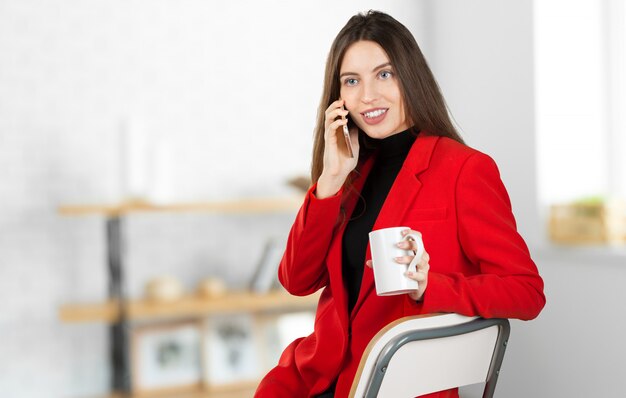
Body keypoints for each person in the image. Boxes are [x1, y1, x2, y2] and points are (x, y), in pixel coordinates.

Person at [255, 10, 545, 398]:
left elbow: (525, 292)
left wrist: (431, 286)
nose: (368, 95)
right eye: (352, 81)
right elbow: (296, 280)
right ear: (338, 97)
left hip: (396, 382)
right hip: (316, 377)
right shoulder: (350, 169)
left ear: (410, 76)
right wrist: (330, 180)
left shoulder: (465, 169)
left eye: (384, 74)